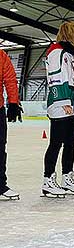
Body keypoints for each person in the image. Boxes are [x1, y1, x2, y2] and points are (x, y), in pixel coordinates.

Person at [42, 21, 74, 198]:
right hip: (61, 103)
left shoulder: (73, 54)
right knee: (56, 142)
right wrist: (63, 101)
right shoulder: (56, 51)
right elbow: (55, 77)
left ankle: (67, 176)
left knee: (70, 143)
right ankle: (48, 180)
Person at [0, 50, 22, 200]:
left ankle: (0, 185)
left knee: (0, 148)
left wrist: (13, 102)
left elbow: (10, 78)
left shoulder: (1, 55)